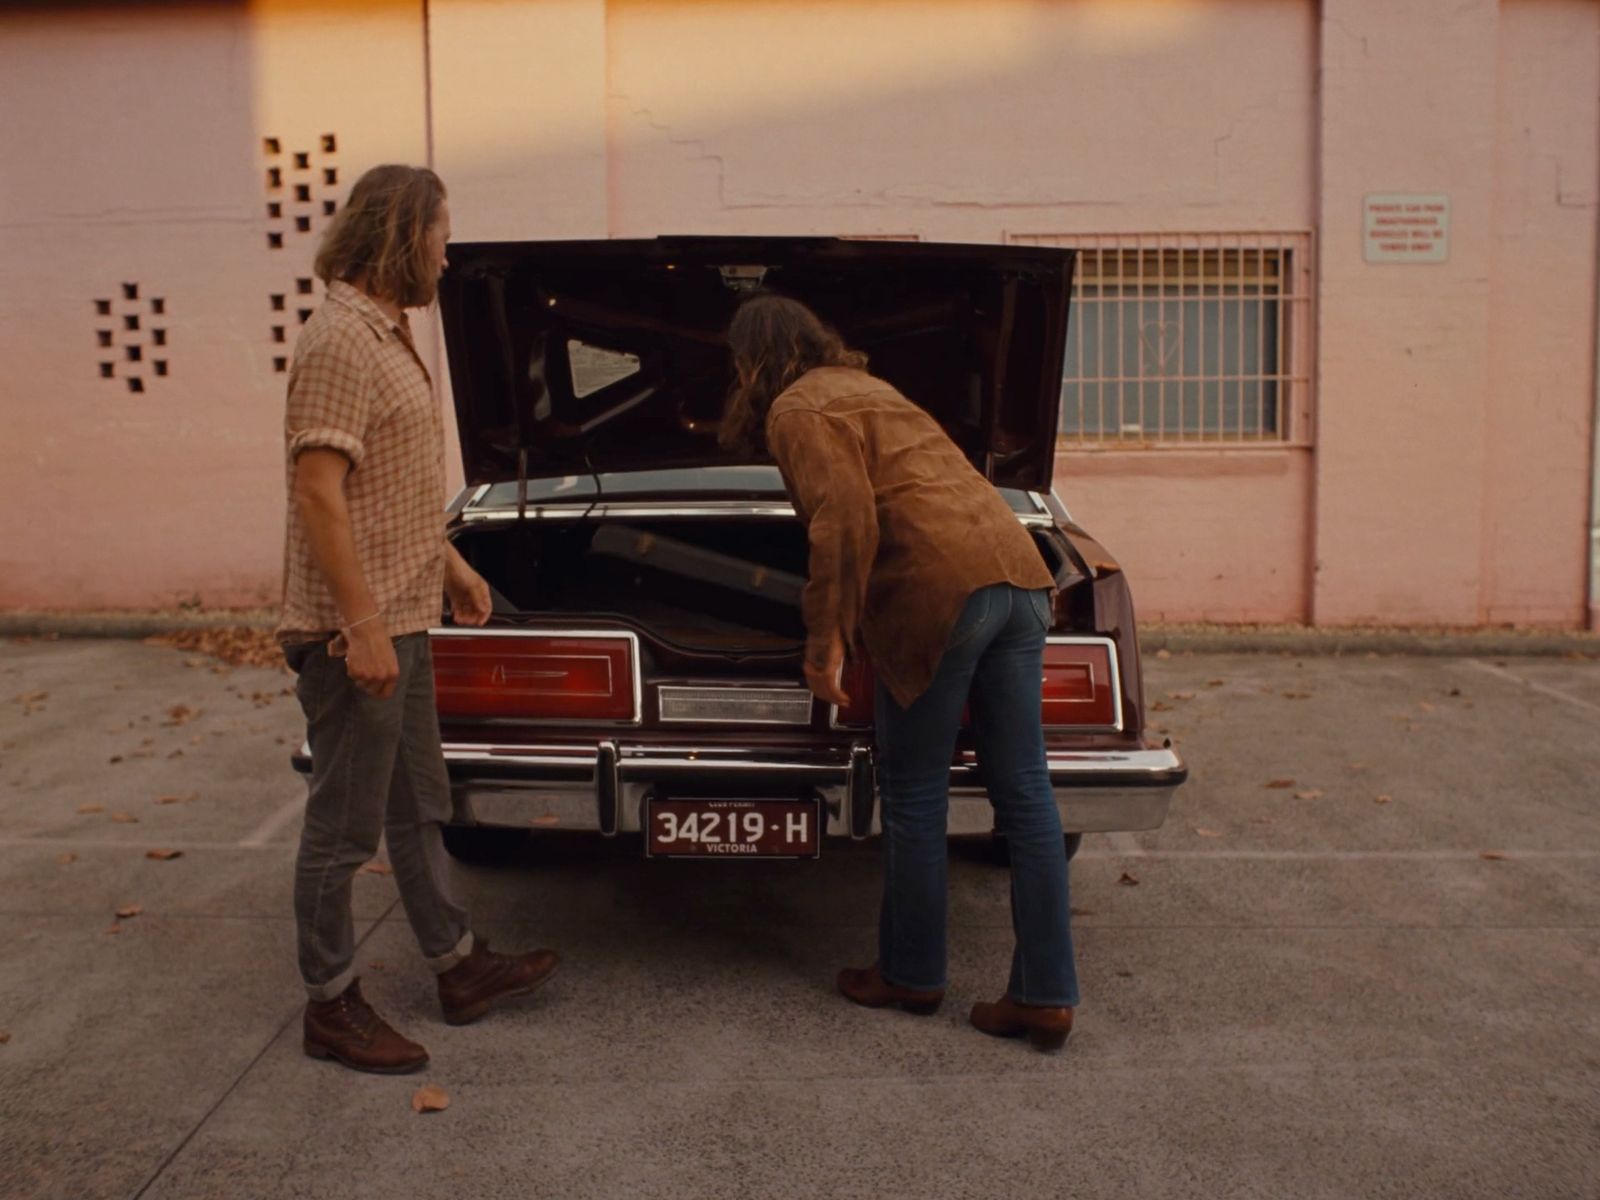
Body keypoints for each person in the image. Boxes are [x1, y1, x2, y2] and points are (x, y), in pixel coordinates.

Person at [720, 293, 1078, 1051]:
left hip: (940, 591)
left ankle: (911, 974)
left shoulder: (796, 408)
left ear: (753, 360)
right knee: (1026, 793)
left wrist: (826, 644)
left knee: (916, 792)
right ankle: (1045, 996)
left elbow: (845, 518)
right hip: (1019, 574)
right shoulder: (871, 390)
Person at [277, 165, 558, 1074]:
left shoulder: (389, 335)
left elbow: (390, 493)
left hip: (403, 617)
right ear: (403, 234)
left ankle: (456, 966)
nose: (447, 247)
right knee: (342, 829)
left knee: (417, 805)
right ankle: (330, 1004)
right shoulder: (337, 340)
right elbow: (319, 493)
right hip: (352, 632)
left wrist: (456, 566)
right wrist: (359, 628)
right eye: (441, 231)